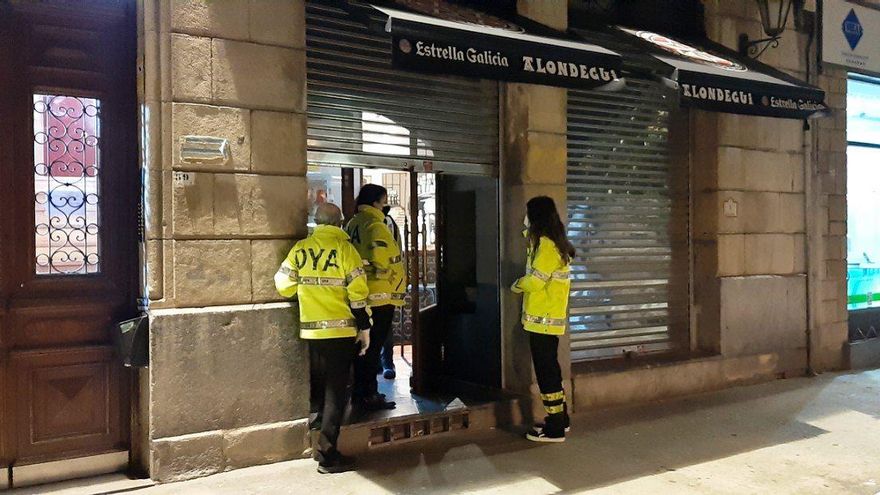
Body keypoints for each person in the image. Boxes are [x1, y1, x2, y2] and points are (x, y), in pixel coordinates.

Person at [274, 203, 371, 473]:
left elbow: (283, 285)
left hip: (312, 331)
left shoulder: (301, 249)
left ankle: (320, 446)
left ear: (316, 223)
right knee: (336, 394)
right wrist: (364, 329)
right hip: (340, 332)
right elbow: (358, 294)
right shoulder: (344, 249)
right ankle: (327, 455)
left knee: (319, 391)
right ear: (339, 223)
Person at [511, 196, 575, 443]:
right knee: (551, 370)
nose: (524, 218)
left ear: (536, 217)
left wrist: (517, 285)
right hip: (547, 319)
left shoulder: (546, 246)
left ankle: (555, 427)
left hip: (543, 321)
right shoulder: (549, 243)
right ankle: (561, 419)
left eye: (527, 213)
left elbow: (536, 282)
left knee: (546, 372)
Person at [345, 184, 406, 410]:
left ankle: (362, 392)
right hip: (380, 296)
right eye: (383, 201)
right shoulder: (375, 225)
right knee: (373, 347)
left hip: (361, 295)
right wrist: (392, 278)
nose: (385, 206)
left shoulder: (352, 223)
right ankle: (368, 395)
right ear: (375, 203)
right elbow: (383, 258)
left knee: (363, 347)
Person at [380, 205, 402, 380]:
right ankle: (386, 362)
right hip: (387, 286)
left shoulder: (386, 224)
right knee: (385, 327)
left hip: (382, 286)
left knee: (384, 327)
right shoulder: (389, 224)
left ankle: (386, 362)